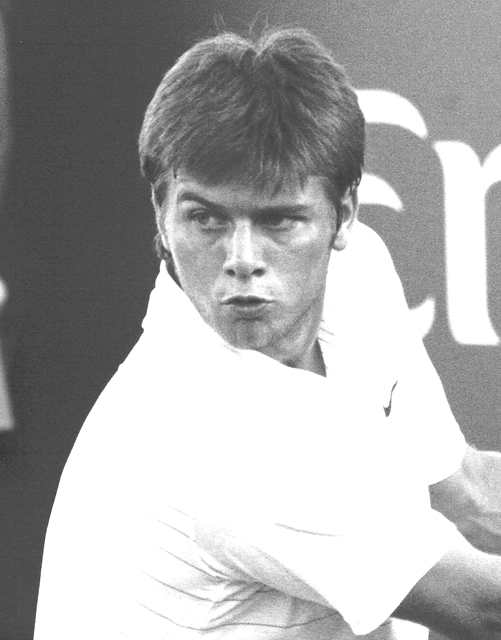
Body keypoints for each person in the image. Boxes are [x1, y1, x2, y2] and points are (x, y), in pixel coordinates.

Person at [34, 28, 501, 639]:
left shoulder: (357, 270)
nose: (242, 260)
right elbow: (484, 609)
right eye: (206, 218)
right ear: (161, 213)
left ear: (344, 215)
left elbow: (468, 497)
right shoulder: (216, 435)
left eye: (279, 220)